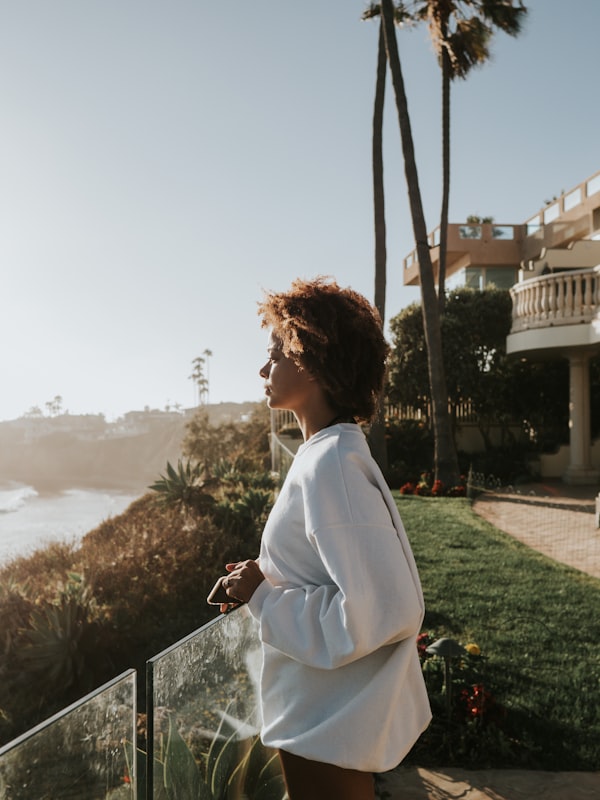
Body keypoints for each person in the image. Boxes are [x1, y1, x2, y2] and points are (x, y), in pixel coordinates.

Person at [213, 277, 431, 800]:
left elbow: (381, 608)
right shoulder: (326, 454)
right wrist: (260, 579)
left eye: (275, 354)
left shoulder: (331, 463)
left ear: (311, 361)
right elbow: (331, 572)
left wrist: (264, 597)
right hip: (318, 716)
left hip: (326, 725)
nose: (263, 369)